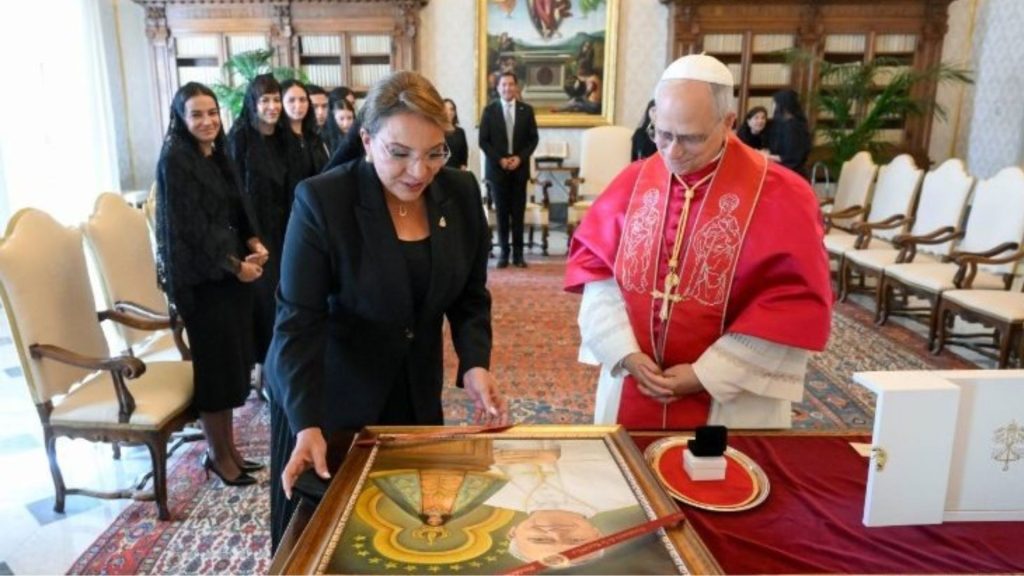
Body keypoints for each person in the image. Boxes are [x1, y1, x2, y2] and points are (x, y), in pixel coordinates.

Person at [265, 70, 509, 550]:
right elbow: (297, 323)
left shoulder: (460, 194)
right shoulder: (323, 201)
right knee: (330, 545)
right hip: (327, 402)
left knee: (413, 533)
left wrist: (474, 363)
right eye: (399, 153)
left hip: (415, 395)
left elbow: (469, 294)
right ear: (366, 140)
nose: (419, 171)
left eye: (434, 153)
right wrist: (305, 422)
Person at [564, 54, 832, 430]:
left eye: (691, 138)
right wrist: (624, 354)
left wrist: (706, 374)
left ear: (728, 123)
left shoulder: (783, 195)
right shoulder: (632, 182)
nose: (672, 152)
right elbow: (599, 278)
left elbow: (788, 304)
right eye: (663, 134)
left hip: (731, 401)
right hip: (633, 383)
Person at [154, 82, 269, 486]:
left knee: (233, 368)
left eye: (212, 113)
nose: (207, 121)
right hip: (203, 283)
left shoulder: (217, 154)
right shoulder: (176, 160)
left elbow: (238, 206)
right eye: (197, 115)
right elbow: (193, 231)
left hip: (228, 279)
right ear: (181, 119)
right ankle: (219, 457)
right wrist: (236, 267)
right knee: (216, 374)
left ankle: (230, 451)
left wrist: (253, 242)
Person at [228, 74, 290, 385]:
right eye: (265, 100)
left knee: (286, 300)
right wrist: (250, 238)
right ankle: (264, 374)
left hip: (284, 230)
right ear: (253, 104)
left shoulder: (284, 138)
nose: (272, 106)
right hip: (252, 236)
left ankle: (281, 370)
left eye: (276, 99)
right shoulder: (239, 138)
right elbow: (233, 192)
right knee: (264, 305)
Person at [479, 72, 539, 268]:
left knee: (518, 214)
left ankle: (518, 255)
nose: (507, 88)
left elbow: (533, 139)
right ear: (498, 88)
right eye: (503, 85)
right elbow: (483, 141)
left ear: (516, 87)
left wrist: (520, 158)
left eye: (511, 84)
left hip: (519, 170)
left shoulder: (526, 110)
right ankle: (504, 254)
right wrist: (500, 160)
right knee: (502, 214)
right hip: (497, 171)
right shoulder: (489, 111)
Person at [279, 79, 329, 183]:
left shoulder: (314, 138)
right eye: (291, 100)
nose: (298, 105)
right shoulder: (277, 139)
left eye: (302, 100)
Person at [766, 89, 811, 177]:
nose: (773, 106)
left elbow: (791, 158)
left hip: (791, 175)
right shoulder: (789, 124)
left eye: (774, 103)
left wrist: (766, 156)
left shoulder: (792, 127)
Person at [323, 89, 356, 157]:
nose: (346, 123)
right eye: (341, 119)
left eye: (352, 103)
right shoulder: (324, 138)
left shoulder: (358, 133)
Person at [443, 98, 469, 170]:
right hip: (441, 170)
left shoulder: (460, 132)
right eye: (445, 109)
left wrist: (463, 168)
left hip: (457, 171)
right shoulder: (437, 131)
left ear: (455, 112)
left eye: (451, 109)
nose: (449, 112)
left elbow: (464, 154)